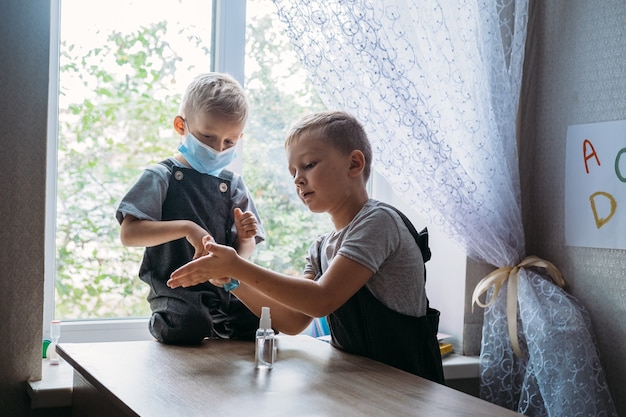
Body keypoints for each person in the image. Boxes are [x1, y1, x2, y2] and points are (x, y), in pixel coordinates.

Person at [167, 110, 444, 382]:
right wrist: (232, 281)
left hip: (407, 386)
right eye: (293, 172)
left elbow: (322, 300)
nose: (298, 179)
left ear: (354, 164)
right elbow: (292, 321)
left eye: (309, 165)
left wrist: (237, 265)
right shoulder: (321, 247)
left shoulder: (379, 222)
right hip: (362, 385)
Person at [116, 72, 265, 345]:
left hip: (225, 287)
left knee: (263, 319)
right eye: (208, 137)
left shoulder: (233, 185)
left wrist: (244, 238)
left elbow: (244, 252)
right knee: (188, 325)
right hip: (177, 290)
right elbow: (129, 234)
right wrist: (187, 228)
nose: (218, 149)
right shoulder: (161, 176)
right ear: (180, 125)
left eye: (229, 142)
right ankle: (167, 320)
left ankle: (220, 327)